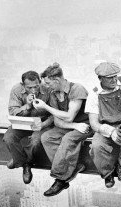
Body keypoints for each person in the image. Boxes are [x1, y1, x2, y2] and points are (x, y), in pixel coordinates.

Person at [33, 63, 92, 197]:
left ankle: (60, 179)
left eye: (48, 83)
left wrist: (46, 107)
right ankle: (73, 167)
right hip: (73, 126)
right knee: (46, 137)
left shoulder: (77, 89)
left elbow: (69, 116)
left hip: (86, 125)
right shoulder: (54, 93)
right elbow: (57, 120)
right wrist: (73, 126)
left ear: (57, 80)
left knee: (68, 139)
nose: (47, 87)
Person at [5, 70, 53, 184]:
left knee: (36, 141)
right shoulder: (16, 89)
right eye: (29, 88)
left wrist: (44, 124)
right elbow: (13, 112)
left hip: (42, 122)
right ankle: (24, 163)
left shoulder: (48, 89)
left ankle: (19, 159)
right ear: (23, 85)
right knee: (9, 138)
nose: (33, 90)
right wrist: (27, 106)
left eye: (36, 87)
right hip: (22, 122)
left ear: (40, 82)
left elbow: (54, 113)